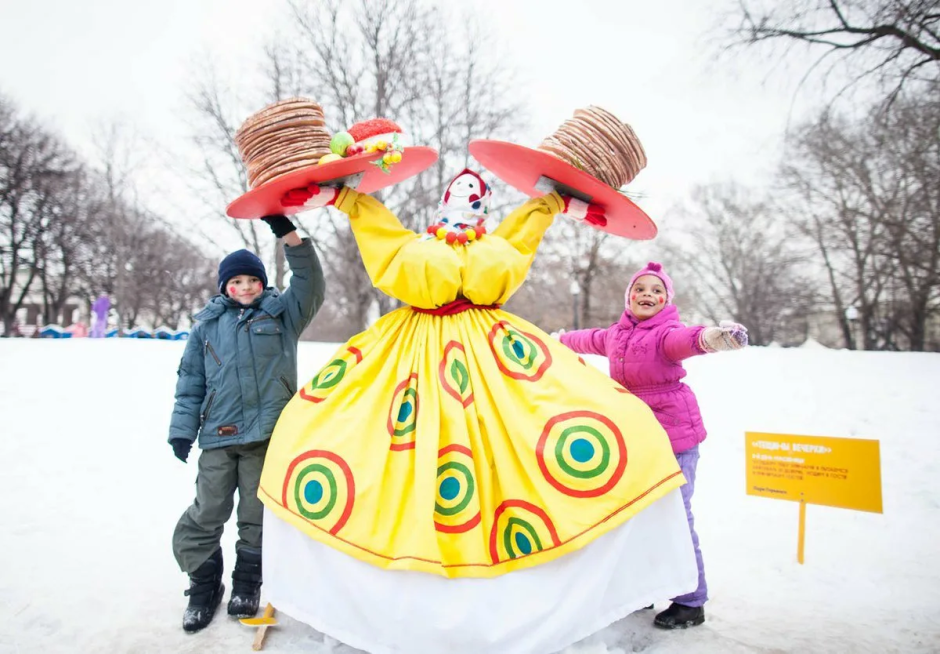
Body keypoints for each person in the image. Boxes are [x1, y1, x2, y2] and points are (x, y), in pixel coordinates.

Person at [255, 172, 700, 654]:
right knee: (362, 441)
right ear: (441, 204)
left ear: (485, 208)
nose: (466, 199)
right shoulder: (415, 246)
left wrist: (555, 204)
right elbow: (378, 230)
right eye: (458, 193)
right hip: (407, 354)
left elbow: (527, 228)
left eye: (476, 196)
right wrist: (343, 197)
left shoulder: (497, 244)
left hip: (495, 353)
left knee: (530, 438)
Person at [558, 261, 748, 630]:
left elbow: (690, 340)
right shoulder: (617, 334)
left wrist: (718, 339)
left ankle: (691, 601)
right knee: (639, 515)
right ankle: (646, 589)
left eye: (656, 291)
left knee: (676, 516)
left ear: (666, 300)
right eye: (640, 289)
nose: (648, 295)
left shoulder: (665, 334)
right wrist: (554, 341)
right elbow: (587, 339)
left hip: (675, 437)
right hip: (638, 438)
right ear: (629, 297)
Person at [167, 214, 325, 633]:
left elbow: (311, 284)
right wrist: (182, 429)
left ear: (262, 282)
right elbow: (191, 382)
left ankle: (245, 583)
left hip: (265, 438)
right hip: (217, 438)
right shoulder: (206, 327)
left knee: (256, 517)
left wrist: (288, 236)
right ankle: (203, 585)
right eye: (235, 282)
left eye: (251, 280)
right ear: (224, 287)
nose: (245, 288)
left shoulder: (282, 315)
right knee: (207, 512)